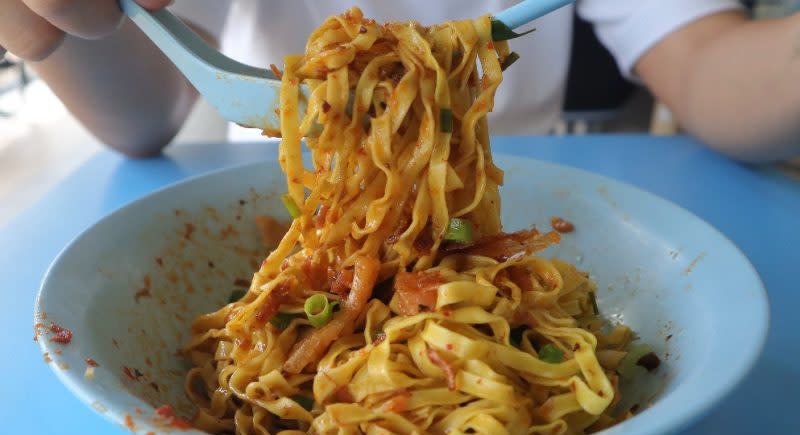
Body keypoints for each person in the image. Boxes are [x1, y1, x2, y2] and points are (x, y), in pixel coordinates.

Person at [1, 0, 797, 162]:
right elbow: (142, 118)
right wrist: (60, 31)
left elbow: (703, 63)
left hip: (534, 193)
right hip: (286, 204)